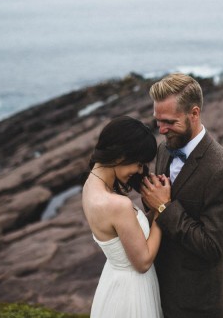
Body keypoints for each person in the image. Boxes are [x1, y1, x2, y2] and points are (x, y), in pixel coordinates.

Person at [141, 73, 223, 318]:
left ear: (194, 114)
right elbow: (158, 206)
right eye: (157, 121)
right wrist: (150, 200)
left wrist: (165, 207)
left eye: (169, 122)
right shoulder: (165, 149)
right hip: (159, 288)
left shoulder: (222, 170)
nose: (161, 129)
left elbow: (212, 246)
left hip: (198, 302)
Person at [82, 116, 167, 318]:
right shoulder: (117, 205)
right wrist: (162, 208)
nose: (139, 169)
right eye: (138, 163)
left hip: (113, 283)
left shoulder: (90, 187)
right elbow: (143, 261)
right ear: (120, 155)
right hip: (132, 294)